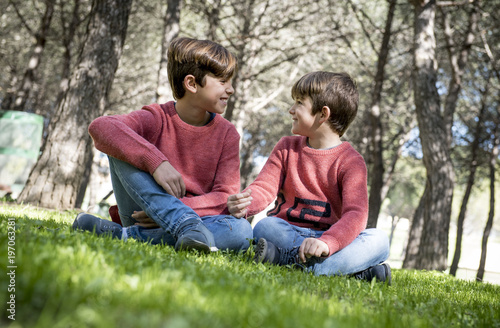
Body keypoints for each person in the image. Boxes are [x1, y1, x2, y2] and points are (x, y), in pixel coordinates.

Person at [73, 37, 253, 253]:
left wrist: (168, 212)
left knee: (240, 230)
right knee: (119, 141)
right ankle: (182, 224)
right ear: (192, 84)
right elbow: (102, 126)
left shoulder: (227, 134)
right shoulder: (156, 117)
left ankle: (122, 235)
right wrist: (156, 163)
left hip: (196, 221)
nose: (231, 89)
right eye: (223, 81)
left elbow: (225, 196)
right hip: (141, 213)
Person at [227, 71, 391, 283]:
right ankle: (356, 273)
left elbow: (356, 214)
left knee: (380, 241)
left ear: (323, 114)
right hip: (289, 232)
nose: (291, 110)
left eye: (299, 103)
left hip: (331, 241)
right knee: (265, 227)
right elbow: (264, 187)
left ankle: (286, 259)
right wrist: (245, 202)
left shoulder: (352, 161)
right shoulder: (286, 147)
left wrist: (328, 242)